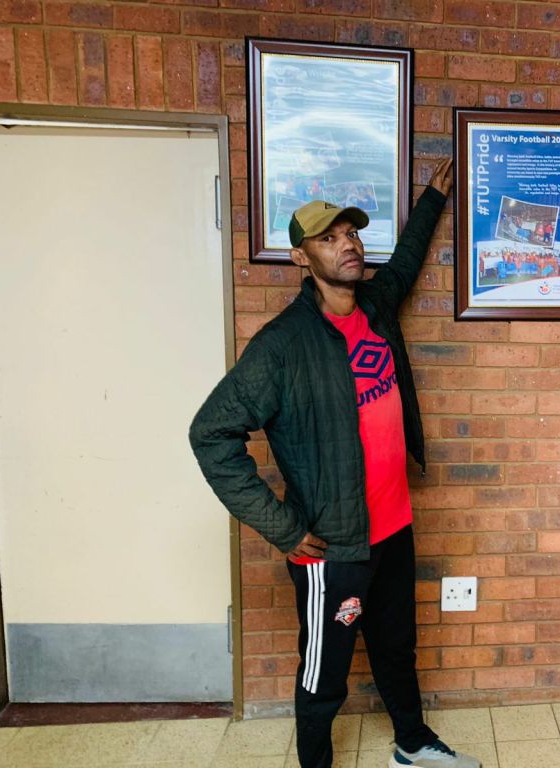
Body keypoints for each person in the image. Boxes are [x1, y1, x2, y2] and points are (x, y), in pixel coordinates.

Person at [189, 158, 480, 768]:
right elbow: (211, 434)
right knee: (325, 674)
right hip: (334, 544)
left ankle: (411, 744)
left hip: (394, 527)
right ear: (301, 257)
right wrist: (283, 529)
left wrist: (432, 199)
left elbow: (405, 262)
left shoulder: (376, 306)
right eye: (328, 238)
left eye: (350, 234)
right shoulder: (282, 346)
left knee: (396, 647)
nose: (347, 245)